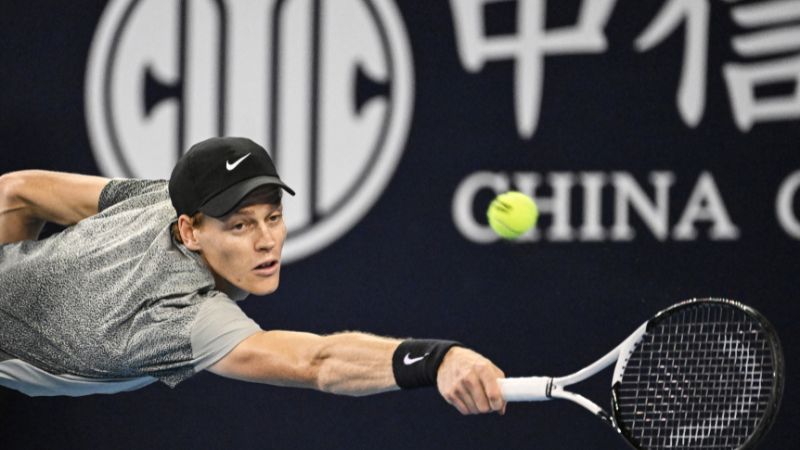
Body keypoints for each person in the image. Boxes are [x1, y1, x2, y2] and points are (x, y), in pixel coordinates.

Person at [0, 137, 506, 415]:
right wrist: (436, 360)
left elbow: (16, 191)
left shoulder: (157, 198)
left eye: (272, 217)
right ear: (190, 230)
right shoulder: (180, 318)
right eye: (239, 226)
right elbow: (318, 363)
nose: (266, 241)